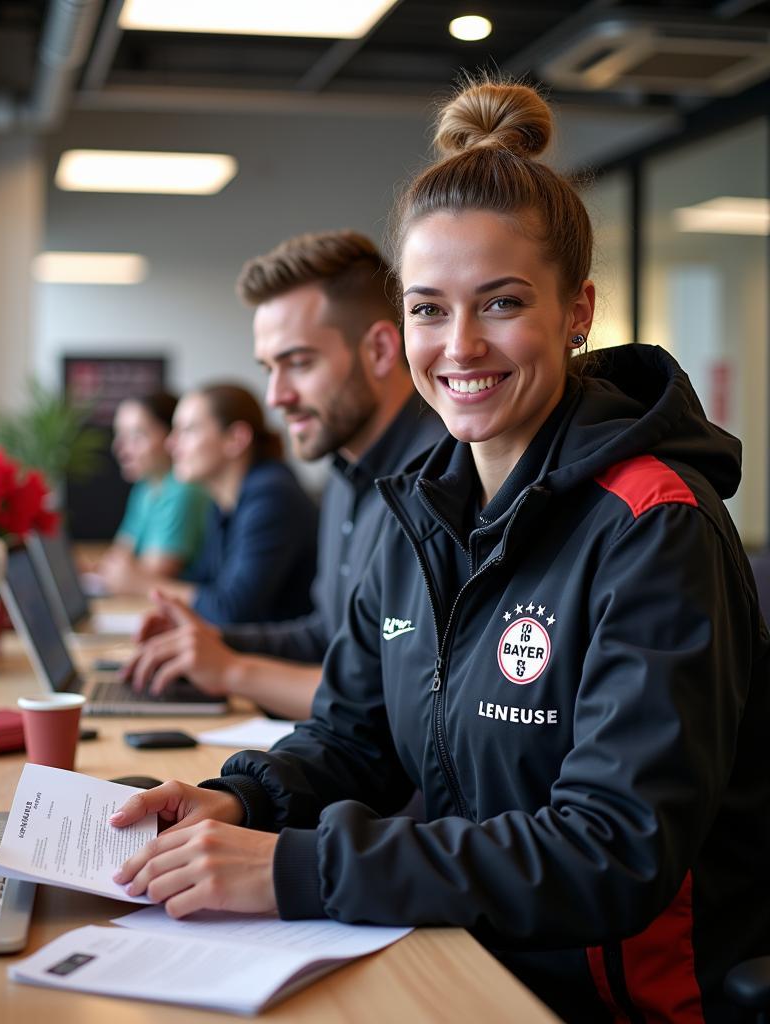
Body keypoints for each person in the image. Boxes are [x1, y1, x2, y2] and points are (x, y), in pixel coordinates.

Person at [111, 79, 770, 1023]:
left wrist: (296, 868)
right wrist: (242, 804)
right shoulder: (424, 509)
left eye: (500, 303)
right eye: (428, 309)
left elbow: (610, 851)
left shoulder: (654, 525)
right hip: (456, 951)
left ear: (577, 311)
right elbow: (356, 734)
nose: (459, 346)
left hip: (604, 1002)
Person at [126, 230, 446, 720]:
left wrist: (233, 670)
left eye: (298, 363)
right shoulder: (343, 473)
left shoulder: (443, 482)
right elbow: (327, 635)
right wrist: (211, 640)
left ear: (380, 350)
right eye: (268, 368)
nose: (275, 396)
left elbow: (398, 698)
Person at [117, 382, 319, 627]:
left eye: (188, 431)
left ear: (236, 439)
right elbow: (206, 585)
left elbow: (230, 610)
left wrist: (142, 584)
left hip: (279, 660)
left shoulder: (272, 496)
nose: (171, 444)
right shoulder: (224, 501)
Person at [93, 391, 210, 594]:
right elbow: (119, 558)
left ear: (171, 437)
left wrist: (124, 572)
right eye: (119, 435)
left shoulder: (183, 490)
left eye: (136, 435)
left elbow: (149, 576)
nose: (120, 447)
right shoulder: (145, 489)